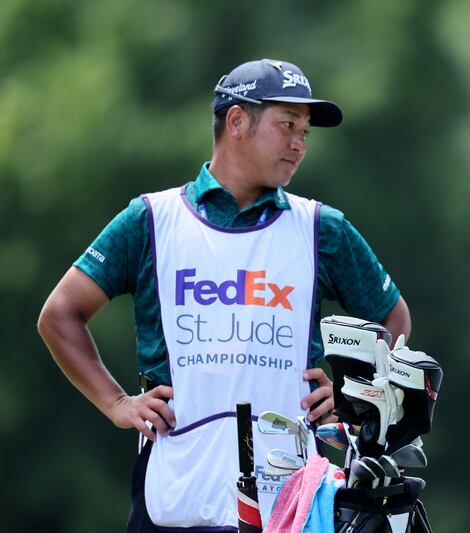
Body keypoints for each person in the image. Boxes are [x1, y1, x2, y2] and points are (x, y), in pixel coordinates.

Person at [37, 58, 411, 532]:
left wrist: (348, 396)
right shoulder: (150, 219)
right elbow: (60, 315)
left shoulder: (322, 227)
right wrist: (117, 404)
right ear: (236, 121)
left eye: (305, 132)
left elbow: (392, 318)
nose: (299, 144)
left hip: (292, 498)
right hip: (175, 488)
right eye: (287, 125)